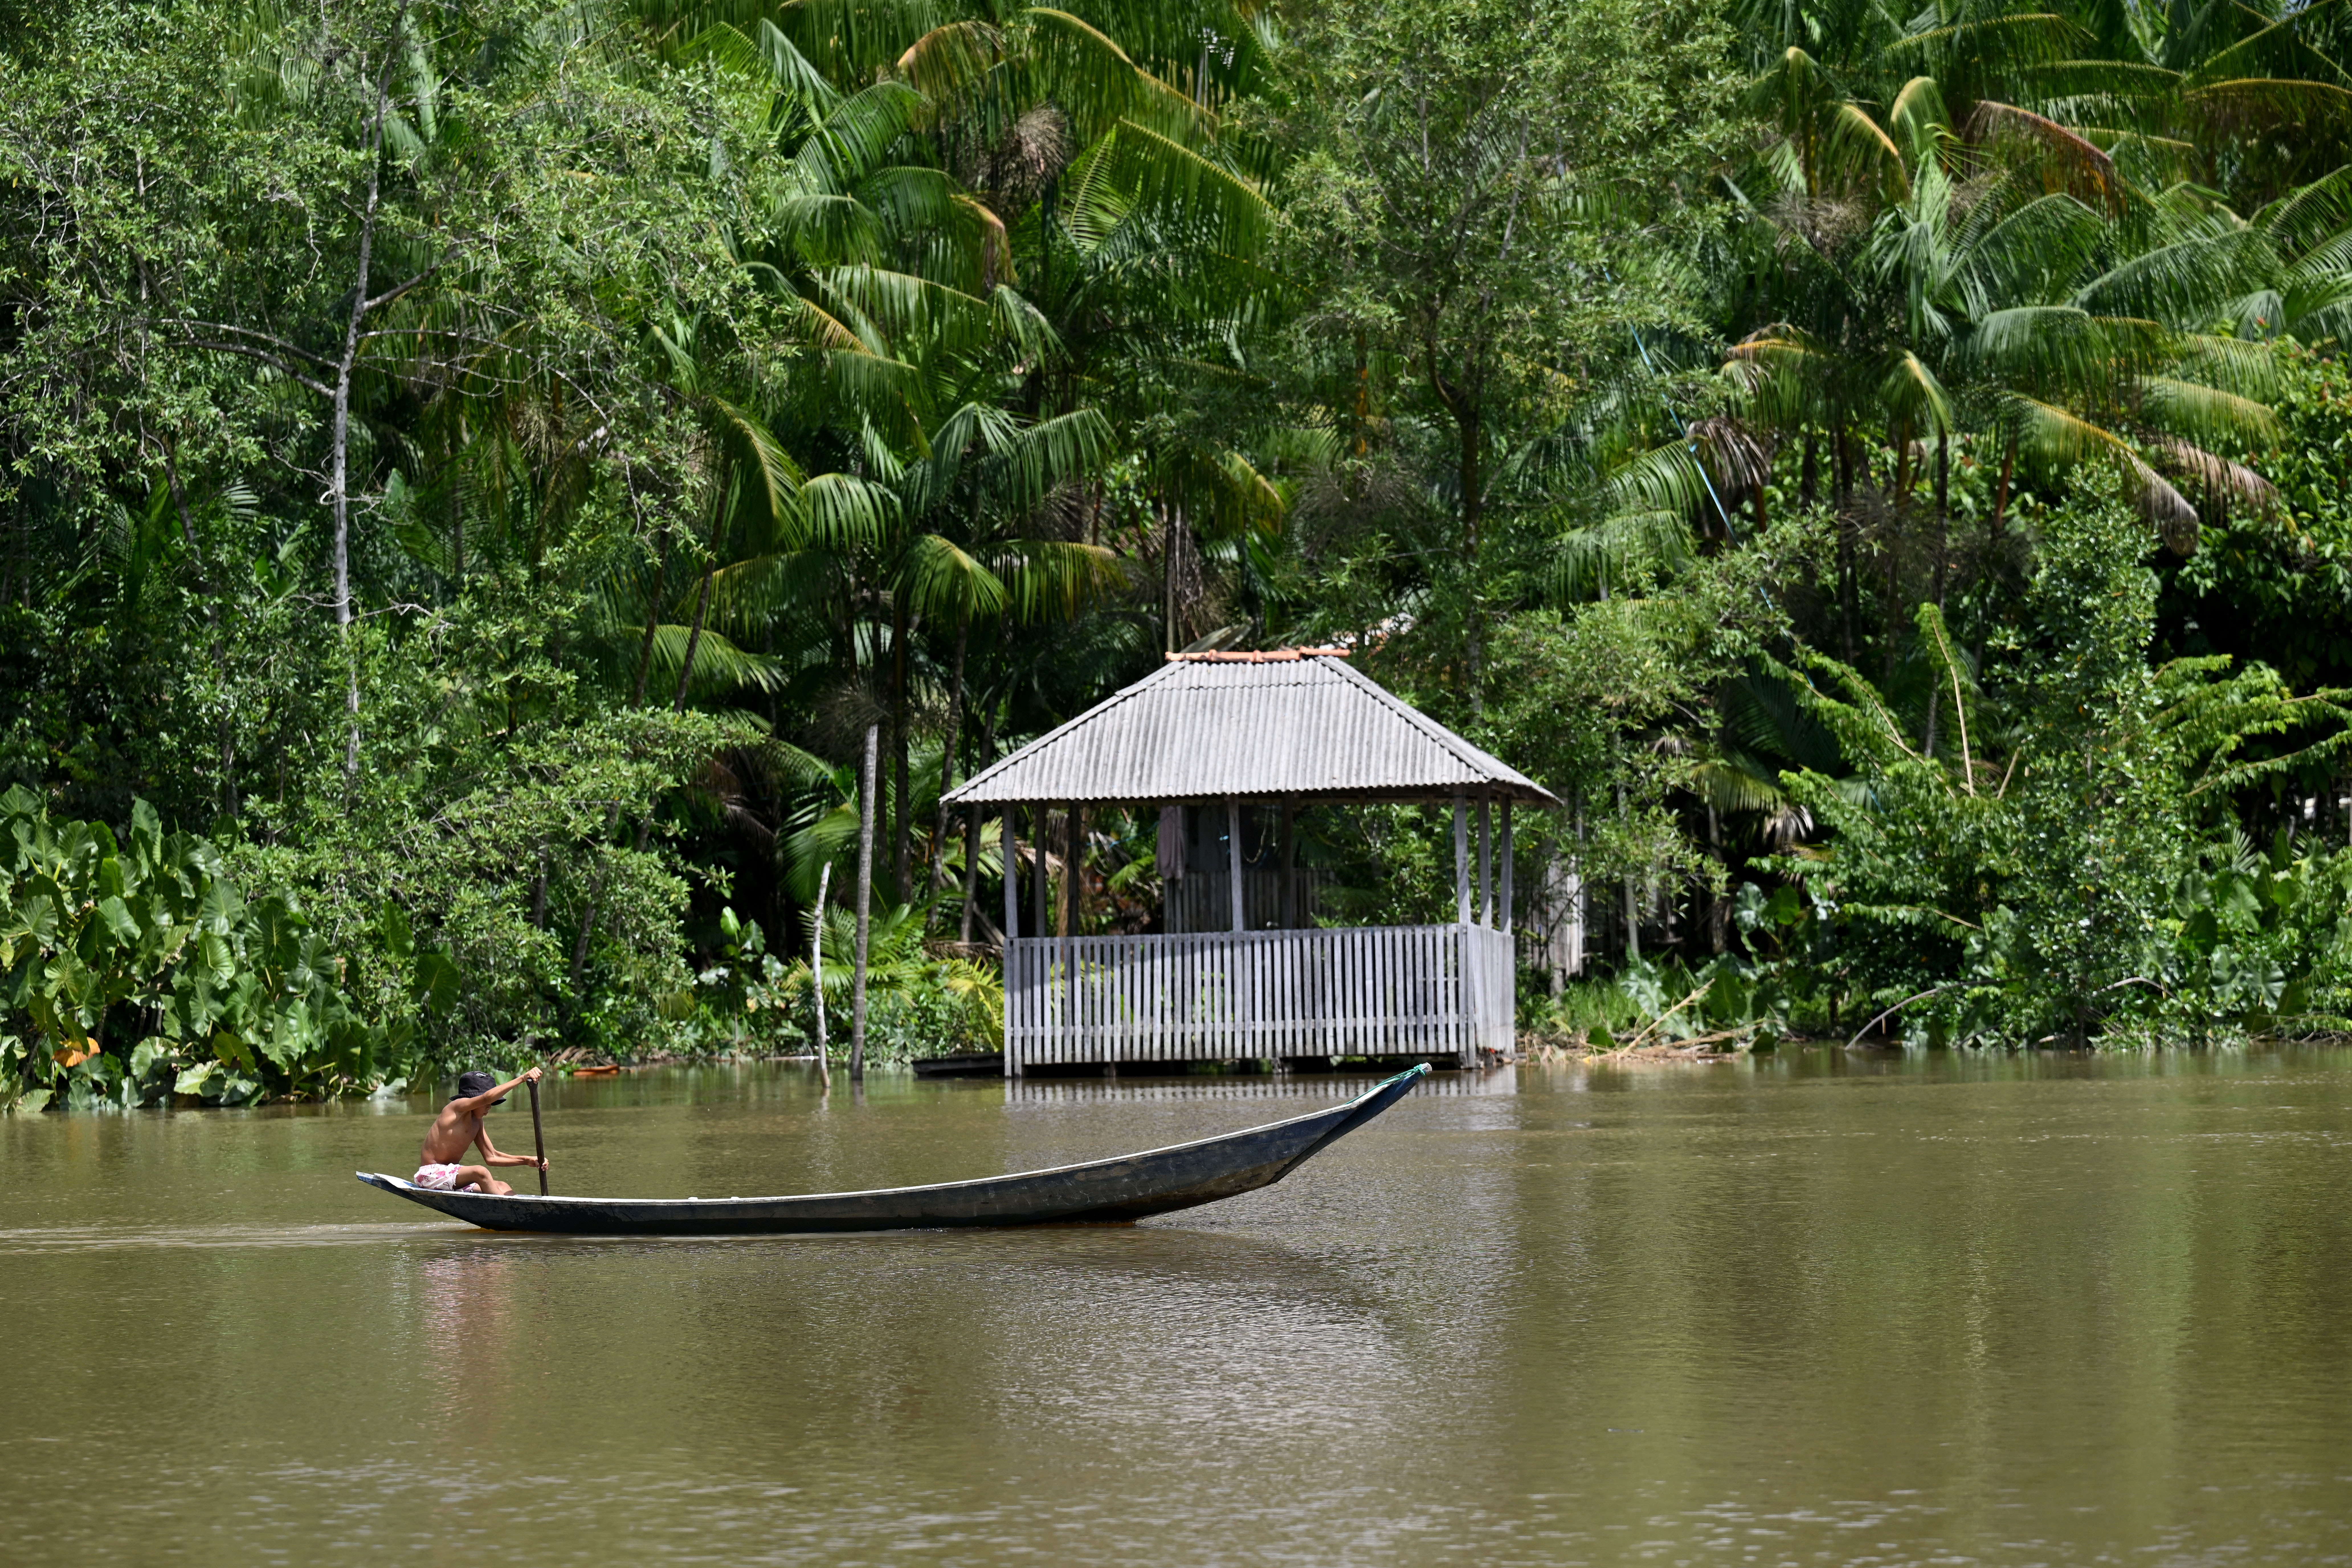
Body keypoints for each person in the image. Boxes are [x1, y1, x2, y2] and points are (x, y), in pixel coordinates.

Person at [413, 1069, 548, 1194]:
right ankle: (507, 1210)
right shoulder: (456, 1108)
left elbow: (492, 1157)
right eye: (488, 1103)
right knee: (480, 1172)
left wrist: (528, 1160)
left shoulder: (477, 1122)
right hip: (429, 1175)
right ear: (474, 1099)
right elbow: (487, 1098)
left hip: (452, 1176)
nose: (490, 1107)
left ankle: (519, 1213)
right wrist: (523, 1078)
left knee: (503, 1186)